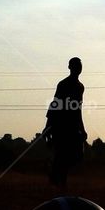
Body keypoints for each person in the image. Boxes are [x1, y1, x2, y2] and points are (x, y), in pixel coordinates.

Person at [43, 57, 87, 189]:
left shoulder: (80, 87)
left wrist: (82, 128)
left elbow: (78, 109)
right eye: (75, 65)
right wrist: (48, 126)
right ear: (70, 67)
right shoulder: (63, 84)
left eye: (79, 65)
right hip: (60, 125)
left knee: (75, 155)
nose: (78, 68)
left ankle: (56, 177)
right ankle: (59, 182)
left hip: (73, 126)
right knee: (63, 154)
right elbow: (55, 104)